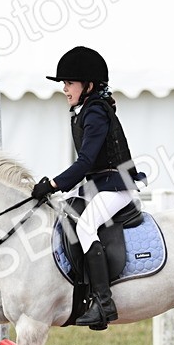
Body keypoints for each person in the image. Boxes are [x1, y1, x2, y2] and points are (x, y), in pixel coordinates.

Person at [33, 46, 142, 330]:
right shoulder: (83, 111)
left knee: (84, 227)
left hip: (116, 187)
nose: (65, 89)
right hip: (98, 186)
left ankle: (104, 303)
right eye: (64, 83)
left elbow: (85, 162)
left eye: (70, 83)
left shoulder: (96, 113)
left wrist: (53, 184)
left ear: (89, 86)